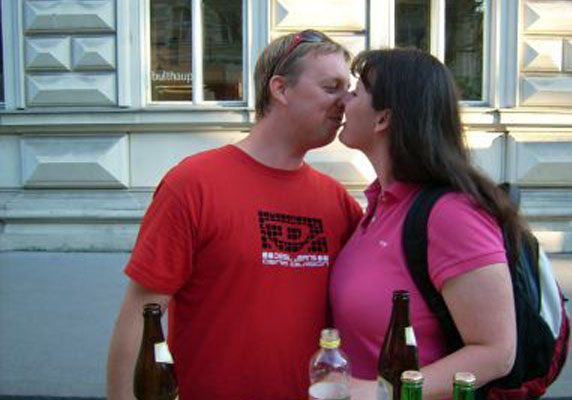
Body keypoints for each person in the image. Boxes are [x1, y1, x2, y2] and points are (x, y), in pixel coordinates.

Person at [106, 30, 363, 400]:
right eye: (331, 87)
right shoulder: (194, 184)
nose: (346, 102)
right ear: (281, 89)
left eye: (349, 89)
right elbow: (141, 313)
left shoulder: (337, 202)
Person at [330, 48, 521, 400]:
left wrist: (380, 393)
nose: (343, 100)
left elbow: (496, 353)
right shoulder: (379, 204)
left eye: (355, 92)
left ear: (383, 118)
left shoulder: (452, 214)